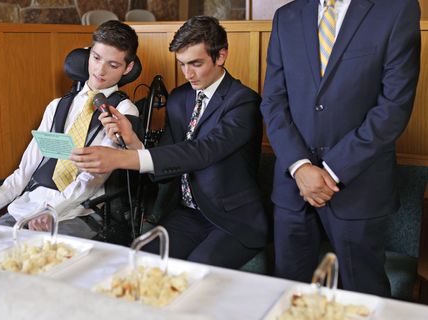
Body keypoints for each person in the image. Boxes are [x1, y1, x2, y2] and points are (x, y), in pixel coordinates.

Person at [71, 16, 268, 269]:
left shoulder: (244, 102)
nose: (188, 74)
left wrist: (122, 158)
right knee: (140, 259)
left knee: (199, 266)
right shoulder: (179, 98)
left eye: (196, 63)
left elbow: (202, 152)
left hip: (234, 219)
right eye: (182, 64)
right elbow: (165, 165)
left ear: (221, 56)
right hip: (188, 214)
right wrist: (132, 141)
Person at [260, 0, 420, 296]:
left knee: (364, 298)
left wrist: (333, 170)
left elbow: (393, 108)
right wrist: (300, 166)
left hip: (359, 185)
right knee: (288, 297)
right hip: (294, 186)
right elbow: (273, 101)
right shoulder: (286, 16)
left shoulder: (396, 10)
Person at [0, 21, 140, 239]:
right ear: (88, 54)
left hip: (81, 210)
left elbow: (93, 178)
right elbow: (27, 167)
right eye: (96, 58)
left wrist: (53, 210)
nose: (100, 71)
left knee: (36, 255)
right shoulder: (56, 106)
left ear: (127, 68)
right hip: (31, 203)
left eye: (113, 65)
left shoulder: (123, 111)